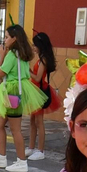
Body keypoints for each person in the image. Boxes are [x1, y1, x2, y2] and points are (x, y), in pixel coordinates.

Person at [0, 24, 43, 172]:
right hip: (15, 92)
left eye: (6, 37)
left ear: (14, 38)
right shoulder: (22, 54)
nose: (4, 40)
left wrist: (1, 56)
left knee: (15, 129)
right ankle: (1, 157)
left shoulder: (12, 55)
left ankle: (21, 161)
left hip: (11, 92)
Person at [28, 31, 56, 162]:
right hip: (35, 91)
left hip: (38, 92)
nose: (33, 47)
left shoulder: (43, 59)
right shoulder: (41, 58)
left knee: (39, 121)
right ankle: (32, 147)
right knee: (32, 121)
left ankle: (40, 150)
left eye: (35, 45)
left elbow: (38, 77)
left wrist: (28, 72)